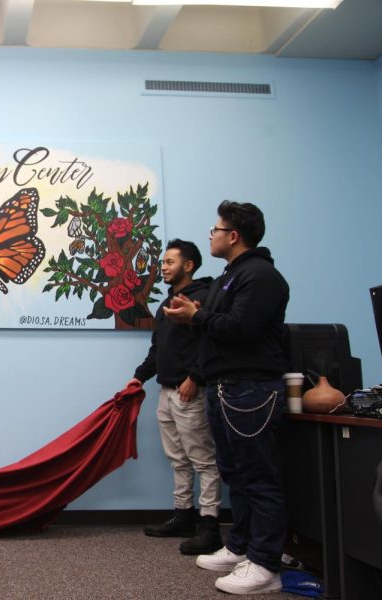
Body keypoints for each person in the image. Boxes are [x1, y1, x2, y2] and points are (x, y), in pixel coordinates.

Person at [164, 201, 289, 595]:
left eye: (215, 229)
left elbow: (241, 328)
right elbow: (216, 322)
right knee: (236, 473)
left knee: (258, 478)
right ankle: (240, 547)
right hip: (224, 387)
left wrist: (195, 317)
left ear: (233, 235)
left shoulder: (260, 275)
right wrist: (197, 311)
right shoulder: (229, 277)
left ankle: (266, 564)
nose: (211, 235)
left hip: (249, 388)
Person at [128, 239, 222, 556]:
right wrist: (139, 377)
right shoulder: (166, 304)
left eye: (169, 262)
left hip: (189, 392)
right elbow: (158, 350)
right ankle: (183, 516)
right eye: (163, 262)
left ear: (189, 265)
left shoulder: (205, 299)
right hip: (166, 393)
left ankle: (209, 526)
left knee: (203, 460)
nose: (163, 267)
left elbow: (211, 342)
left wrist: (195, 377)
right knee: (178, 460)